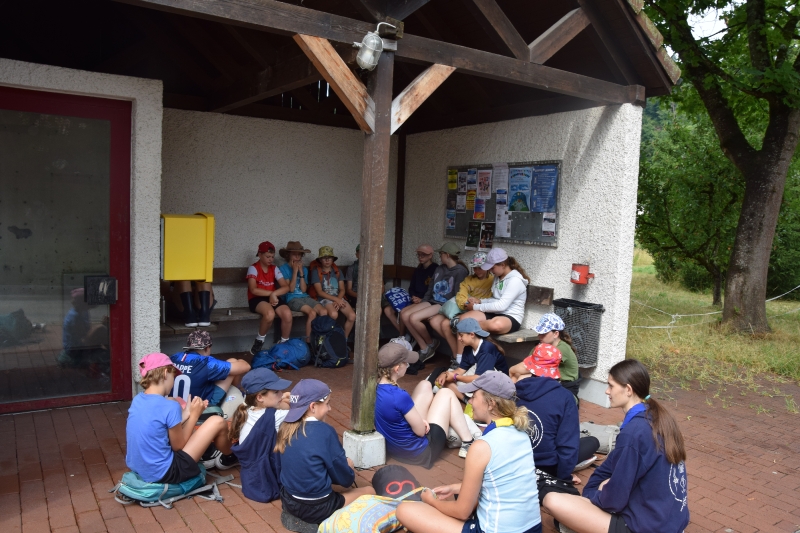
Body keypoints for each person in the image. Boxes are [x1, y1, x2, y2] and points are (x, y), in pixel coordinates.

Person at [543, 359, 689, 533]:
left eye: (611, 386)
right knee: (599, 490)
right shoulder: (656, 417)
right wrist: (598, 489)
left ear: (628, 390)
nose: (607, 391)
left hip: (647, 526)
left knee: (552, 501)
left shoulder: (634, 432)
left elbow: (614, 500)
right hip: (668, 519)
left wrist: (594, 495)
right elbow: (609, 466)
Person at [396, 371, 542, 533]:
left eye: (474, 397)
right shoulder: (522, 434)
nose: (470, 402)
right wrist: (455, 488)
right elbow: (504, 482)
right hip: (533, 528)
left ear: (491, 403)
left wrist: (431, 502)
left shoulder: (481, 446)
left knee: (405, 510)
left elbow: (462, 512)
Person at [275, 379, 374, 525]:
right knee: (369, 491)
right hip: (318, 508)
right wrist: (349, 468)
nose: (330, 408)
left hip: (289, 500)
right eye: (327, 403)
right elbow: (345, 480)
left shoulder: (284, 426)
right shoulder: (325, 431)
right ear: (313, 406)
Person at [126, 353, 232, 484]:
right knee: (217, 421)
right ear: (165, 373)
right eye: (174, 376)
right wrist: (195, 415)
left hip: (140, 469)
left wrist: (187, 413)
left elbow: (159, 425)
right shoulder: (169, 407)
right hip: (166, 473)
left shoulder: (137, 400)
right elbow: (179, 446)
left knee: (173, 401)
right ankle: (230, 456)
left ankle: (216, 450)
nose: (173, 381)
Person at [375, 342, 478, 466]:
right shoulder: (399, 395)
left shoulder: (375, 386)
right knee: (446, 393)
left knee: (425, 384)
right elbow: (420, 432)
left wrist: (419, 420)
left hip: (396, 449)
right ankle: (468, 442)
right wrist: (421, 423)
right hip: (421, 452)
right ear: (397, 369)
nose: (408, 365)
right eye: (406, 363)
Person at [515, 373, 600, 505]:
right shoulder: (565, 396)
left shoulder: (514, 389)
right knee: (593, 441)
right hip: (548, 467)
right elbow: (567, 446)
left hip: (518, 462)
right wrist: (564, 478)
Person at [228, 368, 292, 503]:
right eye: (276, 392)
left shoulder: (246, 406)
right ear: (260, 397)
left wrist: (280, 399)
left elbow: (281, 405)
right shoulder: (275, 416)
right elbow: (299, 410)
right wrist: (288, 401)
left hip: (252, 479)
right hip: (267, 480)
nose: (281, 394)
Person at [454, 248, 529, 357]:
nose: (491, 270)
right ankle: (459, 359)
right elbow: (495, 299)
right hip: (495, 312)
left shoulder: (515, 280)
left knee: (495, 325)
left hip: (510, 316)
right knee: (463, 318)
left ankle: (468, 327)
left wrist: (475, 307)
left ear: (503, 265)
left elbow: (501, 305)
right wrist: (480, 301)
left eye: (492, 267)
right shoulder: (498, 277)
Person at [400, 242, 468, 361]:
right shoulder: (439, 268)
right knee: (404, 314)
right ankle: (424, 346)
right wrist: (423, 302)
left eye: (441, 254)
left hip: (444, 304)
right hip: (431, 300)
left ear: (447, 255)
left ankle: (430, 344)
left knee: (413, 318)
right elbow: (431, 288)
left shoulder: (460, 271)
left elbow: (458, 294)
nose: (439, 256)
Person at [428, 252, 494, 363]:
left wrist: (476, 303)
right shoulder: (468, 280)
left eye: (480, 268)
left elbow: (492, 298)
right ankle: (458, 355)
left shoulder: (492, 280)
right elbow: (460, 295)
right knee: (434, 321)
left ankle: (459, 358)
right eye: (475, 268)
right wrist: (466, 304)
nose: (477, 271)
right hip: (464, 308)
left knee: (445, 324)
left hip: (479, 311)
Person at [508, 313, 581, 401]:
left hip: (565, 388)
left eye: (544, 333)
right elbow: (528, 365)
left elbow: (526, 368)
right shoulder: (542, 346)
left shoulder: (561, 349)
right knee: (518, 377)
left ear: (556, 334)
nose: (539, 336)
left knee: (522, 378)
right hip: (550, 380)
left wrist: (512, 370)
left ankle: (516, 401)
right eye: (539, 332)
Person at [434, 318, 509, 401]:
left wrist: (455, 377)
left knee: (458, 382)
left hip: (496, 382)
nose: (459, 339)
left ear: (472, 335)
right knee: (446, 381)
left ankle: (467, 397)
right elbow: (461, 369)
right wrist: (445, 374)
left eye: (461, 335)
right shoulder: (468, 348)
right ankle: (466, 399)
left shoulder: (487, 349)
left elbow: (480, 378)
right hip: (478, 376)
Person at [247, 241, 293, 354]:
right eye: (268, 256)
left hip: (272, 297)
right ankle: (259, 340)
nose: (271, 259)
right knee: (269, 314)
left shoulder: (274, 268)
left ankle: (284, 343)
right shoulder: (253, 268)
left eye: (272, 257)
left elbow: (286, 287)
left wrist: (274, 294)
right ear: (259, 254)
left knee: (287, 314)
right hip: (256, 299)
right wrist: (272, 294)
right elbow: (253, 290)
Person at [277, 241, 327, 342]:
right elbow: (291, 289)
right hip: (291, 298)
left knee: (323, 312)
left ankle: (320, 342)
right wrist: (295, 271)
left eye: (299, 255)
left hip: (304, 297)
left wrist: (301, 272)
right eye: (294, 254)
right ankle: (308, 343)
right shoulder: (283, 269)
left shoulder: (304, 269)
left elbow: (304, 290)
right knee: (312, 313)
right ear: (288, 255)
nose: (297, 257)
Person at [57, 287, 109, 374]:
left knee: (102, 329)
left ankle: (110, 350)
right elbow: (83, 338)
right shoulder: (75, 317)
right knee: (101, 329)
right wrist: (101, 327)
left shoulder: (84, 312)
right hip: (75, 349)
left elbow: (87, 331)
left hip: (82, 342)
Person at [309, 246, 355, 338]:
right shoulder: (316, 271)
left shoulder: (337, 271)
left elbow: (342, 289)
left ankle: (343, 339)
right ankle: (329, 339)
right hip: (324, 299)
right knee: (334, 314)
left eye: (329, 258)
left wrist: (338, 300)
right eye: (324, 258)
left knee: (352, 316)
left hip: (338, 297)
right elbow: (319, 292)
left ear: (333, 259)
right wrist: (336, 300)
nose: (327, 260)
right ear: (320, 260)